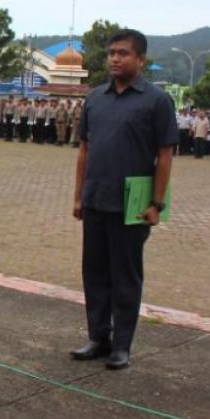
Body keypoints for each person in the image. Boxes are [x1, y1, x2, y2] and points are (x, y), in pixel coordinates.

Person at [71, 29, 176, 371]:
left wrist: (157, 204)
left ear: (141, 59)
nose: (115, 59)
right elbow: (84, 150)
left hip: (132, 207)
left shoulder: (156, 101)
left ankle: (121, 345)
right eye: (112, 53)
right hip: (96, 200)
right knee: (95, 273)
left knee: (125, 278)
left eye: (124, 53)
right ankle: (97, 337)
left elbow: (165, 155)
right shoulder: (96, 98)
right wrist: (78, 196)